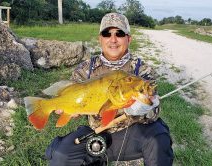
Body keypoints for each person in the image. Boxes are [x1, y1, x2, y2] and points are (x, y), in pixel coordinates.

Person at [45, 13, 173, 166]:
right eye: (107, 33)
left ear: (128, 39)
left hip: (133, 133)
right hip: (96, 133)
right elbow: (71, 96)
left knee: (159, 139)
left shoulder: (142, 71)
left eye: (119, 33)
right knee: (61, 154)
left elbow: (155, 112)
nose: (113, 40)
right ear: (100, 38)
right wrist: (68, 110)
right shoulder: (86, 69)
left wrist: (144, 108)